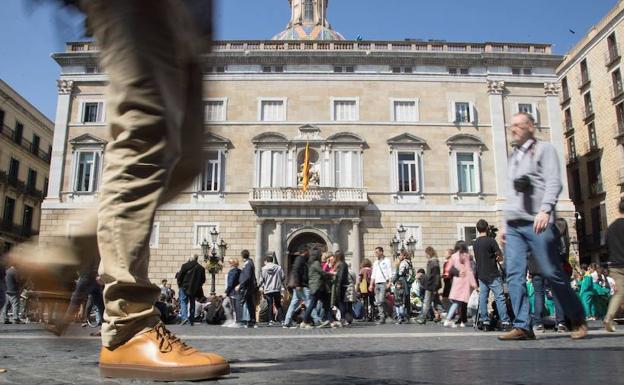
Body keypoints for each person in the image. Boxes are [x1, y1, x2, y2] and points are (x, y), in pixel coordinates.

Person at [8, 0, 230, 380]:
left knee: (185, 160)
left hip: (188, 23)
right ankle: (129, 328)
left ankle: (60, 255)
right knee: (146, 135)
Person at [499, 112, 587, 341]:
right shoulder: (513, 157)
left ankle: (577, 318)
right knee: (514, 274)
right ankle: (522, 326)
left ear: (531, 127)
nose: (513, 128)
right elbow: (511, 193)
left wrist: (546, 209)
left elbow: (554, 181)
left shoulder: (544, 150)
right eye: (512, 125)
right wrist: (504, 224)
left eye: (518, 125)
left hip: (538, 220)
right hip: (516, 224)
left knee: (551, 271)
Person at [473, 219, 511, 331]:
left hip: (481, 274)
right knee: (500, 298)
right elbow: (500, 256)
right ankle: (504, 321)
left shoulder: (475, 243)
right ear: (487, 228)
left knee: (483, 298)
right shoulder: (491, 241)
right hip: (493, 273)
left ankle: (484, 321)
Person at [444, 241, 477, 328]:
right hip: (464, 281)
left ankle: (462, 321)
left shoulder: (453, 256)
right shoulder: (465, 256)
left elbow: (448, 268)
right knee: (461, 302)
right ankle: (448, 319)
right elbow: (469, 270)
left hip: (456, 281)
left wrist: (457, 272)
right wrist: (473, 283)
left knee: (457, 302)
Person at [605, 198, 624, 332]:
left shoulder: (611, 227)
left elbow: (607, 247)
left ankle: (608, 317)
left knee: (619, 293)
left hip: (614, 265)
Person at [301, 248, 333, 329]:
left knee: (325, 304)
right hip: (317, 287)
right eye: (320, 255)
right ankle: (304, 321)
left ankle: (329, 320)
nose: (322, 256)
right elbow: (322, 273)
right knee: (313, 304)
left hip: (317, 287)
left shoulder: (312, 263)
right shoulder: (316, 263)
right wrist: (331, 274)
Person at [178, 255, 206, 326]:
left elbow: (180, 276)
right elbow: (203, 280)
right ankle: (191, 319)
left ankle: (184, 318)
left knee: (183, 302)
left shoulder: (185, 266)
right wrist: (197, 286)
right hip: (194, 289)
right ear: (197, 259)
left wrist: (180, 284)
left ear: (190, 259)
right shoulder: (201, 268)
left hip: (184, 287)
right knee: (192, 303)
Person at [417, 247, 441, 324]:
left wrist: (422, 276)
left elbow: (435, 276)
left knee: (427, 302)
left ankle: (423, 318)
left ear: (429, 253)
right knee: (434, 302)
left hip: (431, 285)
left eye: (426, 253)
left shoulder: (433, 262)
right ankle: (442, 316)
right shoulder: (433, 262)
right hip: (432, 285)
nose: (425, 255)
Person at [259, 255, 285, 326]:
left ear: (267, 261)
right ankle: (282, 320)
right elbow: (283, 277)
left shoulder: (263, 269)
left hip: (268, 289)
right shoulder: (278, 268)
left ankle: (270, 321)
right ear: (272, 260)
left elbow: (261, 280)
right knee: (278, 304)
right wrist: (278, 280)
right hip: (276, 288)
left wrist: (259, 286)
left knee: (270, 304)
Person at [370, 247, 392, 325]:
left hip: (383, 282)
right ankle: (382, 317)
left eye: (377, 252)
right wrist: (371, 284)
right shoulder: (375, 262)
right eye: (375, 252)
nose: (375, 254)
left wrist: (389, 282)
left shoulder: (387, 261)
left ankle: (388, 312)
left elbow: (389, 271)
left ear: (381, 252)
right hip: (376, 283)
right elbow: (373, 274)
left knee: (381, 300)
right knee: (378, 301)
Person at [237, 250, 257, 328]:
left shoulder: (248, 264)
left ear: (242, 256)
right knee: (249, 304)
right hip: (248, 286)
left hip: (247, 287)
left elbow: (247, 276)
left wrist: (241, 285)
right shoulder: (249, 262)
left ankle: (244, 320)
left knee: (243, 302)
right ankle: (251, 321)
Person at [331, 250, 350, 327]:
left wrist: (338, 286)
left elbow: (341, 276)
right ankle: (342, 317)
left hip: (340, 286)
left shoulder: (342, 264)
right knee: (337, 302)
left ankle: (343, 318)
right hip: (339, 285)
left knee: (340, 302)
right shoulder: (340, 264)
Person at [223, 258, 241, 326]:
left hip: (232, 292)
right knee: (229, 305)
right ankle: (231, 320)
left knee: (231, 306)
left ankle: (233, 320)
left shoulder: (232, 271)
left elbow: (230, 283)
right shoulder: (239, 270)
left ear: (233, 264)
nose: (229, 264)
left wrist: (226, 292)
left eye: (230, 263)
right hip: (235, 291)